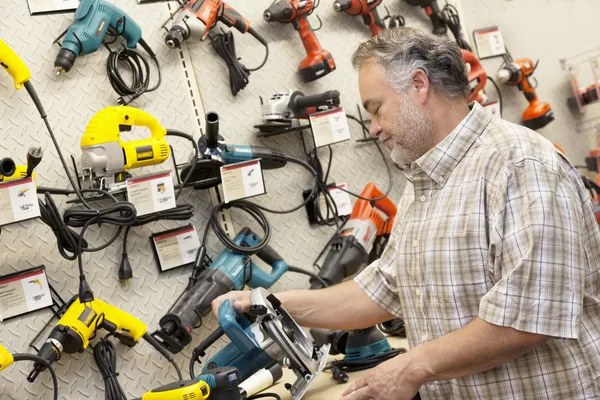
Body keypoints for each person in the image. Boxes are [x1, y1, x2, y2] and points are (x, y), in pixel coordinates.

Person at [212, 27, 600, 400]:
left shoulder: (521, 166)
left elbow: (527, 320)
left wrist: (412, 367)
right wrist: (269, 303)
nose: (375, 128)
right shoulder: (424, 182)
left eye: (377, 109)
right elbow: (383, 290)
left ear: (419, 84)